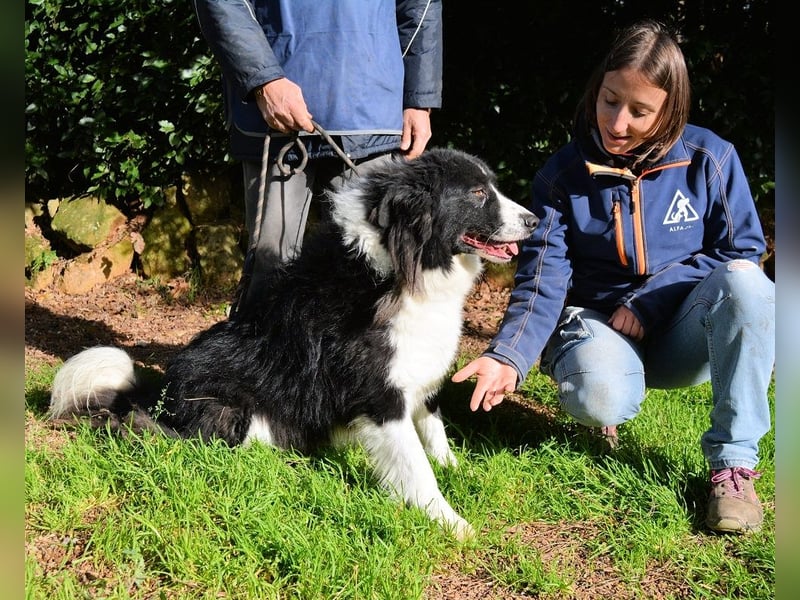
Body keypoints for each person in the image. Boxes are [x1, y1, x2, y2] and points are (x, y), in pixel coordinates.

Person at [452, 19, 775, 534]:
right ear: (595, 90)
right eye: (609, 101)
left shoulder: (711, 159)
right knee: (600, 395)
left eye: (639, 111)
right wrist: (508, 355)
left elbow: (743, 250)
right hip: (599, 322)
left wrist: (650, 301)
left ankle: (732, 467)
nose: (617, 122)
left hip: (683, 332)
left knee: (748, 284)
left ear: (670, 110)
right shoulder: (561, 177)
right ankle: (605, 397)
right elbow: (543, 278)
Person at [191, 0, 443, 312]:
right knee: (269, 272)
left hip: (371, 112)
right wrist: (264, 80)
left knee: (370, 276)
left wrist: (419, 99)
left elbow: (420, 5)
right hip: (274, 118)